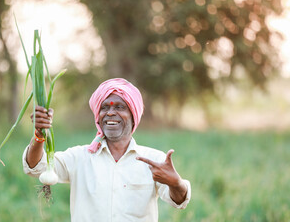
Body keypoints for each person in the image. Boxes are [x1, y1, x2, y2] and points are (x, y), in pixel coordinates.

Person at [22, 78, 191, 222]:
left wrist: (176, 183)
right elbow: (36, 167)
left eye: (119, 107)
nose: (110, 113)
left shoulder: (153, 159)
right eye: (104, 108)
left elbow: (179, 201)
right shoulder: (79, 157)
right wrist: (39, 134)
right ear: (98, 116)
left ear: (133, 116)